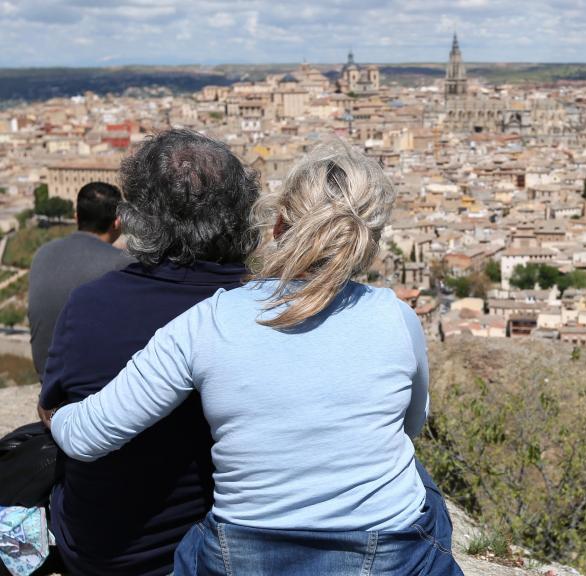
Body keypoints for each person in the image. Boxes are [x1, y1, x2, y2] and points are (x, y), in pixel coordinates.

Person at [49, 139, 463, 575]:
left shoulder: (210, 321)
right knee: (415, 474)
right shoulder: (396, 316)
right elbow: (410, 425)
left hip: (243, 556)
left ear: (279, 223)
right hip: (389, 557)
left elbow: (86, 439)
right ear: (368, 241)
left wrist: (53, 413)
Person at [37, 129, 261, 576]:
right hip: (218, 549)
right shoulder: (260, 313)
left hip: (100, 551)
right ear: (241, 216)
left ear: (135, 217)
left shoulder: (89, 303)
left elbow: (53, 409)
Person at [28, 182, 133, 378]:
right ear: (117, 222)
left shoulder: (42, 254)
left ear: (76, 217)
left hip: (47, 381)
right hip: (95, 390)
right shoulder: (123, 265)